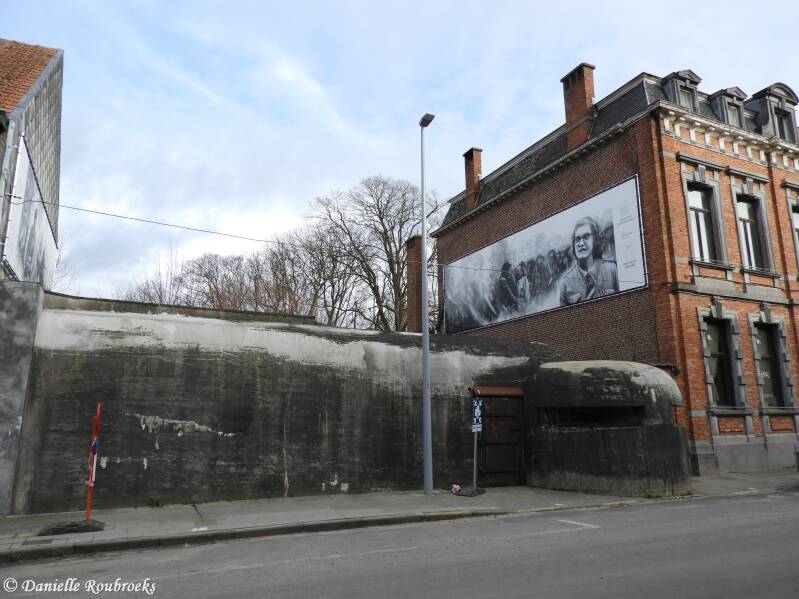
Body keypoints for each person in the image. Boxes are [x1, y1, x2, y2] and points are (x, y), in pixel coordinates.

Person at [559, 216, 619, 306]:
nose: (581, 243)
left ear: (595, 239)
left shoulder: (611, 269)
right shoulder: (565, 282)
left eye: (586, 236)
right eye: (577, 239)